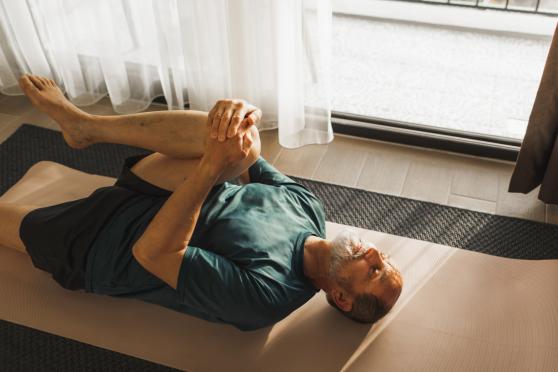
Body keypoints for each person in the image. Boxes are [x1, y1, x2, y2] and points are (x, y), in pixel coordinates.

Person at [0, 74, 403, 331]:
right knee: (243, 144)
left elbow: (152, 252)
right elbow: (247, 153)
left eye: (374, 271)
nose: (373, 254)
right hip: (158, 187)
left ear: (343, 298)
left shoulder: (267, 296)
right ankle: (84, 126)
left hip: (104, 247)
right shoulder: (310, 209)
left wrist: (211, 168)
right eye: (383, 260)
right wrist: (243, 116)